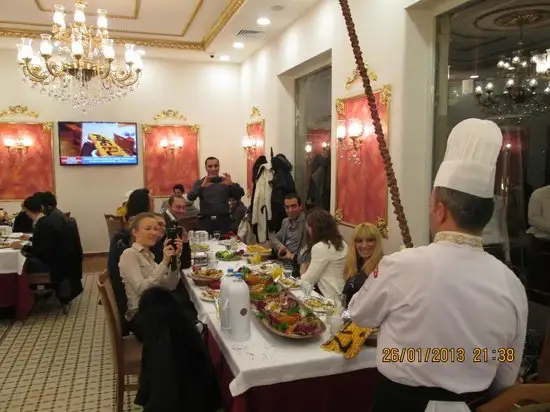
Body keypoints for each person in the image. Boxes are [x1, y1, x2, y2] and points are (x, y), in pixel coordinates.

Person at [348, 119, 528, 412]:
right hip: (472, 405)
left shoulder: (401, 265)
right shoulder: (512, 285)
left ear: (440, 210)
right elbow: (506, 372)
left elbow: (359, 314)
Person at [118, 213, 184, 335]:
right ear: (135, 232)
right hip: (141, 315)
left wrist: (175, 259)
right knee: (182, 328)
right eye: (148, 229)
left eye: (155, 229)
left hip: (156, 309)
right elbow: (142, 290)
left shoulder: (149, 255)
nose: (154, 233)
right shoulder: (129, 254)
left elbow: (171, 285)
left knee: (185, 318)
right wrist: (164, 263)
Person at [21, 194, 82, 304]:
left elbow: (43, 251)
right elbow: (47, 242)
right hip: (64, 261)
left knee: (22, 265)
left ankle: (23, 299)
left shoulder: (50, 222)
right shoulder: (54, 218)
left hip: (57, 264)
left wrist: (23, 247)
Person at [187, 157, 242, 235]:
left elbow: (240, 194)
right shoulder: (200, 183)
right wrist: (202, 187)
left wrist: (231, 184)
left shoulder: (225, 181)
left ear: (219, 167)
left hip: (224, 221)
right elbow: (190, 197)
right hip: (206, 222)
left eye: (216, 166)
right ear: (206, 168)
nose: (213, 169)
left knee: (223, 246)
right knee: (206, 246)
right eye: (210, 166)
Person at [301, 209, 348, 298]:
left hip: (326, 298)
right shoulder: (343, 243)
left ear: (316, 228)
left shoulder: (320, 247)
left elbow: (307, 282)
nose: (308, 229)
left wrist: (303, 269)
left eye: (309, 226)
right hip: (340, 295)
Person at [342, 222, 383, 307]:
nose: (364, 245)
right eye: (359, 241)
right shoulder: (354, 264)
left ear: (377, 242)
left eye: (370, 240)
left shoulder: (382, 268)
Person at [162, 196, 192, 269]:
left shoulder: (174, 220)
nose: (182, 211)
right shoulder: (164, 222)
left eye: (183, 207)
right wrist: (185, 242)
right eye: (178, 207)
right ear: (169, 206)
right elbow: (177, 263)